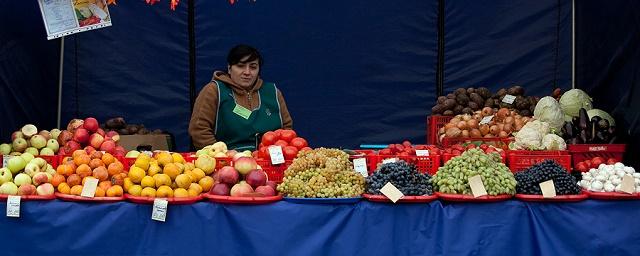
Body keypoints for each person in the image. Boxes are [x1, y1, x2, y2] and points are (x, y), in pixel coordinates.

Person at [189, 44, 293, 151]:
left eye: (253, 67)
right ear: (229, 68)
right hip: (227, 163)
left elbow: (287, 132)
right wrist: (222, 157)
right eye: (240, 66)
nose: (247, 72)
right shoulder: (213, 91)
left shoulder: (273, 93)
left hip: (270, 161)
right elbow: (199, 130)